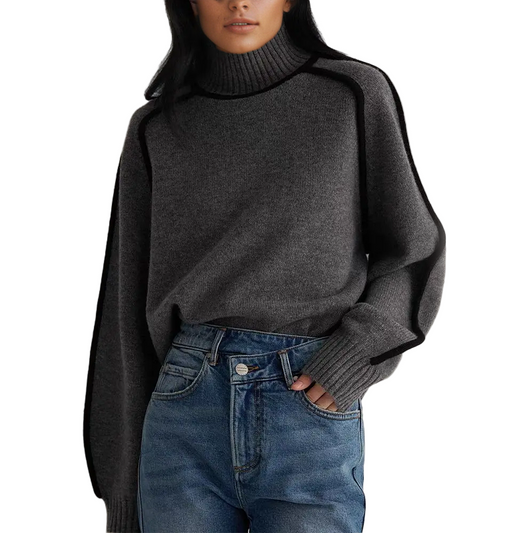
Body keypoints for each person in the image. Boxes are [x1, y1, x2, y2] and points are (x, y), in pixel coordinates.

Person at [83, 1, 446, 532]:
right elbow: (124, 307)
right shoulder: (155, 127)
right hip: (182, 404)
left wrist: (355, 354)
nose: (239, 2)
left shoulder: (351, 94)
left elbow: (413, 248)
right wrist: (121, 489)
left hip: (307, 394)